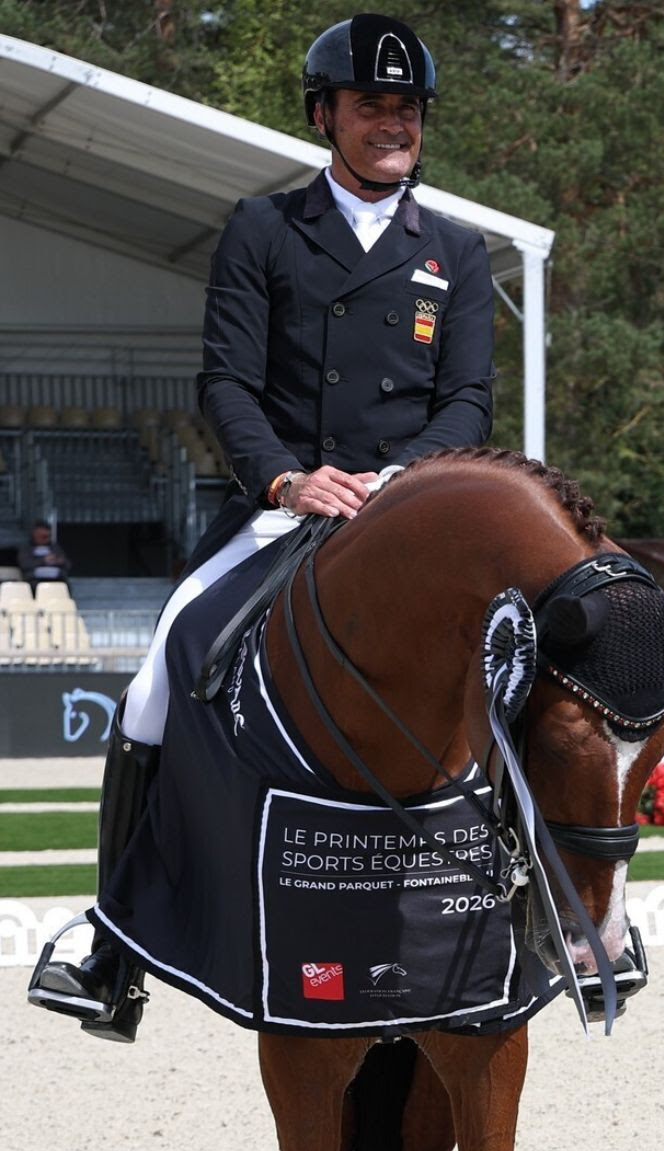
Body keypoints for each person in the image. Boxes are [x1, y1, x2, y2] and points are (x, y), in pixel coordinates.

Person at [28, 12, 492, 1043]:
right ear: (325, 115)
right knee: (157, 675)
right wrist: (288, 479)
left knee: (534, 663)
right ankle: (112, 945)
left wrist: (397, 480)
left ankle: (566, 913)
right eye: (370, 105)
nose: (392, 124)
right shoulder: (264, 227)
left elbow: (467, 400)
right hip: (285, 507)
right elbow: (227, 382)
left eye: (406, 108)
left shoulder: (456, 250)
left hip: (408, 509)